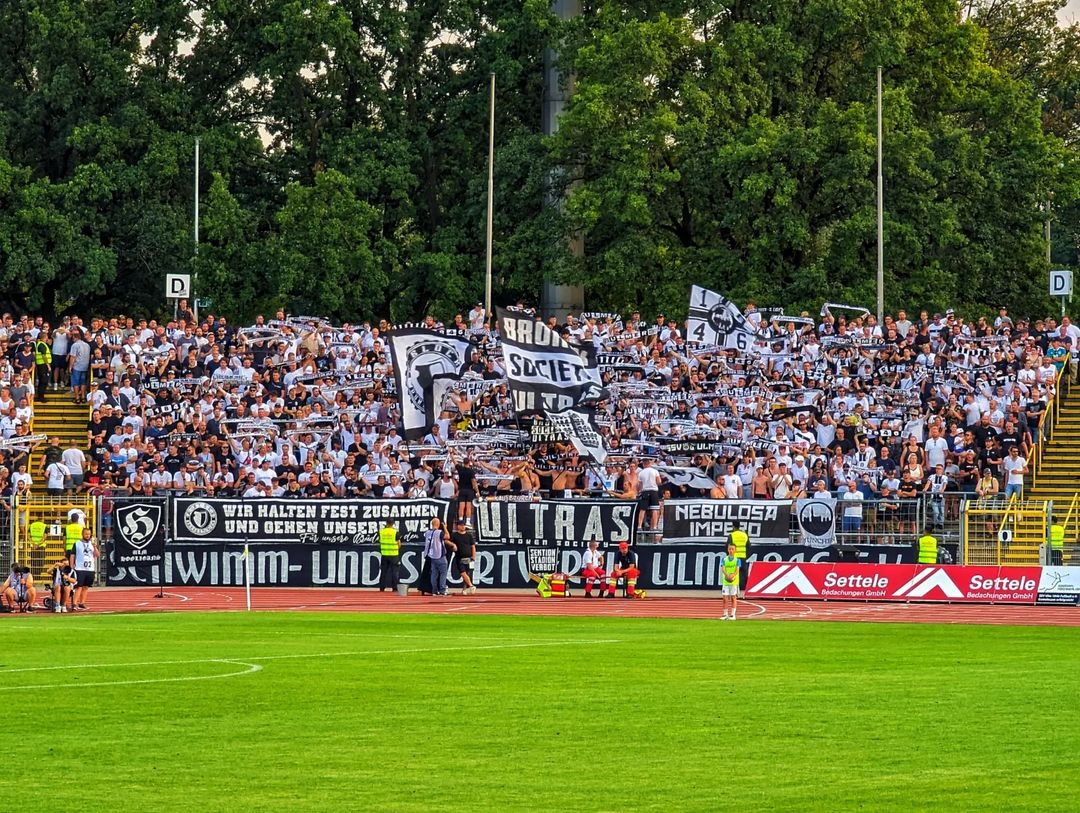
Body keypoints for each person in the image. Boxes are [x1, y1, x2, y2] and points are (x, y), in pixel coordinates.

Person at [70, 527, 99, 611]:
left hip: (90, 569)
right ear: (82, 534)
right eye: (86, 534)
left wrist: (95, 547)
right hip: (80, 568)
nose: (87, 536)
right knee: (78, 586)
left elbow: (97, 555)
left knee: (86, 587)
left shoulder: (92, 544)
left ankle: (82, 603)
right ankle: (74, 603)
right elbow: (72, 555)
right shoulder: (77, 543)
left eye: (89, 534)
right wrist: (72, 566)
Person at [423, 517, 449, 596]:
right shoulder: (439, 532)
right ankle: (442, 590)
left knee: (434, 574)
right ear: (438, 524)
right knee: (443, 573)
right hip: (440, 555)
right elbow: (447, 536)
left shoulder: (427, 532)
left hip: (432, 556)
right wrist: (445, 527)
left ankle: (434, 591)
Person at [450, 520, 477, 595]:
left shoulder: (469, 535)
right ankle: (471, 586)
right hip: (459, 557)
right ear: (457, 526)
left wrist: (473, 556)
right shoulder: (454, 535)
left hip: (468, 557)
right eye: (461, 525)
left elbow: (473, 546)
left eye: (463, 525)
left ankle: (465, 589)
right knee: (463, 573)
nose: (463, 526)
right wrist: (453, 546)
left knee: (467, 574)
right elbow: (450, 543)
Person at [377, 519, 400, 593]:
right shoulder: (395, 532)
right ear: (393, 524)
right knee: (394, 572)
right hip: (394, 554)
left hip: (384, 554)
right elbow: (399, 543)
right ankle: (395, 588)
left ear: (386, 523)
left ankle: (382, 588)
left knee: (383, 572)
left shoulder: (381, 531)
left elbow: (380, 541)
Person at [720, 542, 740, 621]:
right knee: (725, 598)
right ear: (727, 550)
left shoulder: (737, 560)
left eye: (732, 549)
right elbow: (723, 568)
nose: (731, 550)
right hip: (726, 581)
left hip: (734, 582)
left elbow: (737, 570)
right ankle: (725, 614)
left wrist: (733, 575)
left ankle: (733, 614)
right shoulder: (724, 559)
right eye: (729, 549)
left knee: (733, 597)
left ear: (735, 550)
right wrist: (727, 575)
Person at [728, 523, 749, 598]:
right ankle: (746, 592)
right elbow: (748, 546)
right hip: (743, 557)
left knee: (735, 575)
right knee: (744, 575)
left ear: (733, 527)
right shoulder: (744, 535)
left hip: (735, 558)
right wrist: (746, 556)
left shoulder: (732, 535)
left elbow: (728, 546)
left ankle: (735, 592)